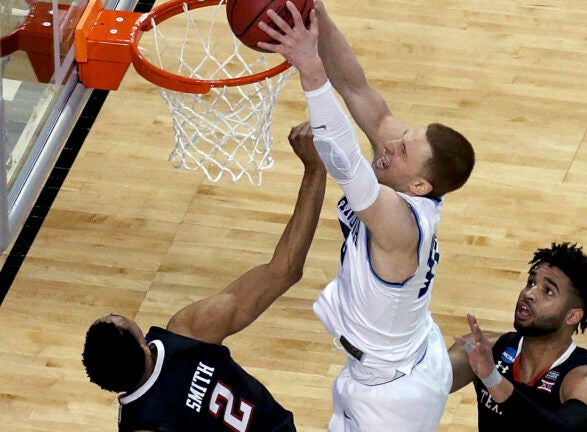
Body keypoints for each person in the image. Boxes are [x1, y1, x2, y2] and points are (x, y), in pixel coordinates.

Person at [256, 2, 475, 431]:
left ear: (420, 186)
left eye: (403, 149)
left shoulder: (400, 226)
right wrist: (315, 14)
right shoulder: (408, 176)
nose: (389, 144)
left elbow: (345, 163)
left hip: (395, 399)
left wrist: (309, 68)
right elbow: (356, 88)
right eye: (403, 136)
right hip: (395, 365)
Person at [81, 122, 326, 432]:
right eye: (120, 319)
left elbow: (285, 270)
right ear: (143, 345)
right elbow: (284, 269)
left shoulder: (143, 418)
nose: (119, 314)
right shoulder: (189, 331)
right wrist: (314, 169)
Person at [449, 242, 587, 432]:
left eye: (548, 291)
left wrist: (493, 379)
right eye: (531, 283)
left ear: (573, 316)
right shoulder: (484, 350)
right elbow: (427, 379)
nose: (529, 294)